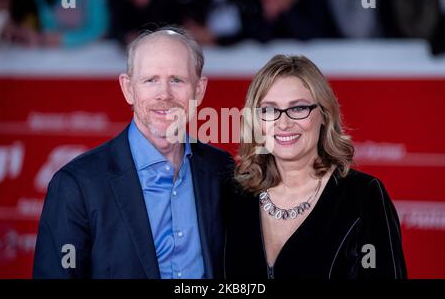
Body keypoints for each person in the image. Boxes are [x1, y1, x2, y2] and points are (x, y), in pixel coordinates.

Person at [33, 27, 235, 278]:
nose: (164, 94)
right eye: (151, 80)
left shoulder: (220, 170)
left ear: (199, 90)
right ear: (128, 89)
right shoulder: (77, 185)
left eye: (177, 80)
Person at [225, 55, 407, 279]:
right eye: (270, 110)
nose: (283, 123)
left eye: (298, 108)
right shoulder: (233, 195)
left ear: (324, 114)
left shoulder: (363, 196)